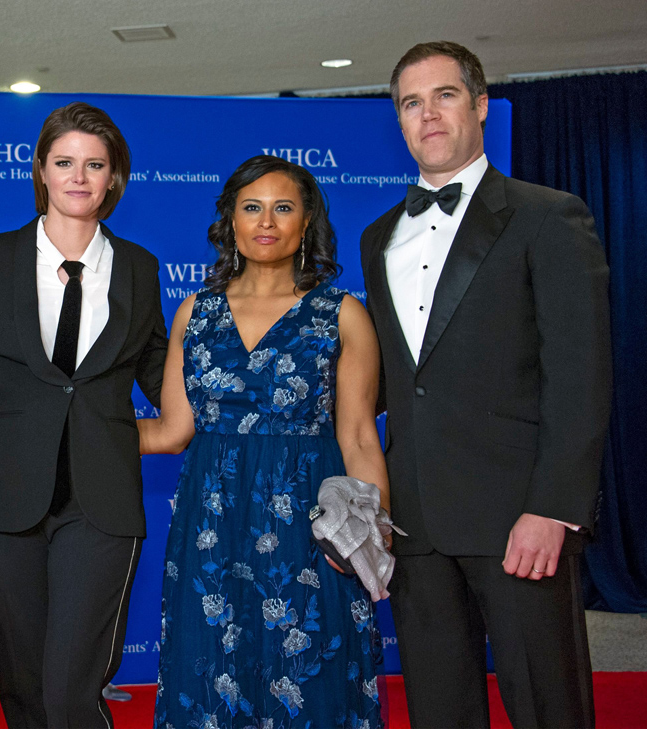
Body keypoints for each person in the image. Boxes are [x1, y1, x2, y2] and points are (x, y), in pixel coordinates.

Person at [360, 41, 611, 728]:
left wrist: (553, 507)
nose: (427, 114)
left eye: (443, 95)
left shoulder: (546, 215)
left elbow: (581, 374)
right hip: (414, 524)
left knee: (547, 704)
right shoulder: (379, 234)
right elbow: (394, 379)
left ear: (479, 106)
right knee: (440, 708)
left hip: (518, 518)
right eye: (411, 102)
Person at [141, 155, 389, 729]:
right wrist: (63, 431)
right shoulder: (194, 314)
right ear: (230, 220)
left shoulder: (342, 314)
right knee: (209, 670)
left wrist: (368, 540)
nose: (266, 222)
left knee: (310, 670)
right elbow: (172, 430)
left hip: (308, 518)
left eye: (284, 208)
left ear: (308, 223)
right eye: (251, 208)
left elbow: (357, 436)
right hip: (212, 521)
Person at [0, 102, 167, 728]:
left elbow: (159, 373)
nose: (79, 177)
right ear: (42, 171)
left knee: (72, 688)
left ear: (113, 178)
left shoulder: (139, 267)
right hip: (5, 501)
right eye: (65, 162)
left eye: (95, 165)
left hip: (101, 501)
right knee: (23, 684)